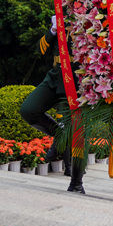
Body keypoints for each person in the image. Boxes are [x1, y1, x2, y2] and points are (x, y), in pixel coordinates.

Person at [19, 17, 74, 186]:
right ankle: (59, 140)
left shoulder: (89, 16)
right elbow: (39, 50)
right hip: (56, 75)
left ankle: (72, 166)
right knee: (29, 110)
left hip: (76, 78)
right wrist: (53, 30)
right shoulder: (61, 15)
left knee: (69, 122)